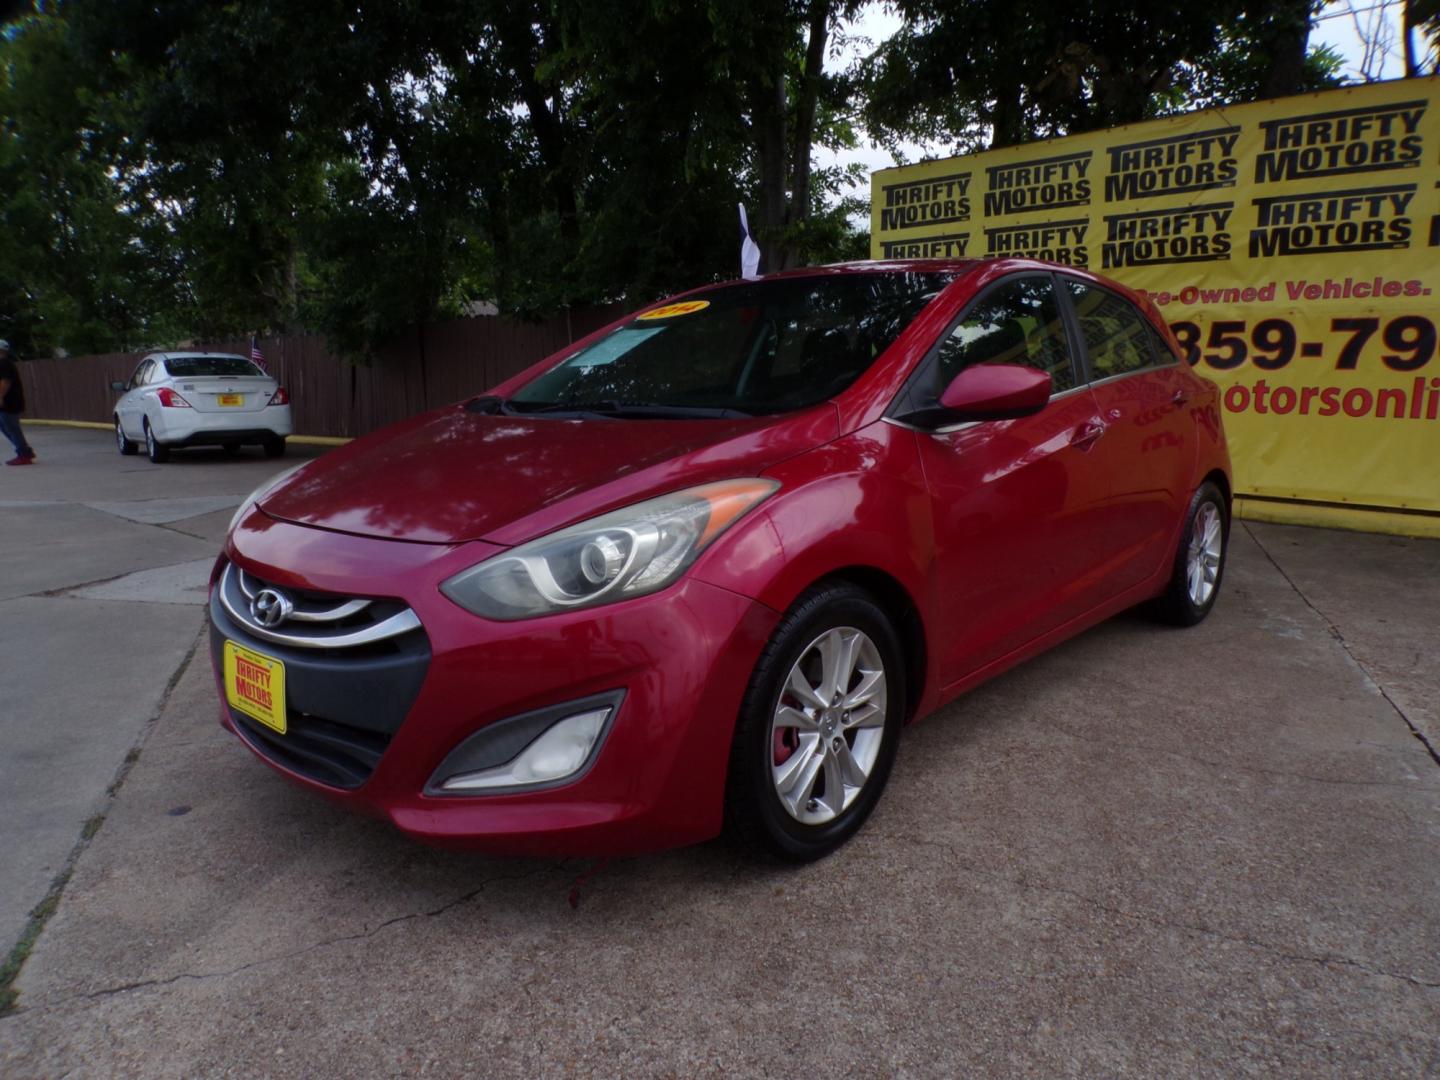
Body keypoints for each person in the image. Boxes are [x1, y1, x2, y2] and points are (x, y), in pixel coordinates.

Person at [0, 339, 36, 465]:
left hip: (9, 401)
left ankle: (23, 454)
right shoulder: (5, 363)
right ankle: (25, 450)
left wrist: (0, 396)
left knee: (11, 428)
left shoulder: (3, 363)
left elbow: (5, 382)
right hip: (9, 400)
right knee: (5, 427)